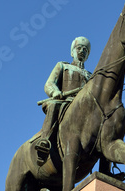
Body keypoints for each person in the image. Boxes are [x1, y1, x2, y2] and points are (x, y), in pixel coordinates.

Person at [35, 36, 91, 164]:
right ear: (72, 52)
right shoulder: (63, 66)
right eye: (79, 48)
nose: (82, 51)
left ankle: (108, 166)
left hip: (85, 107)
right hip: (65, 102)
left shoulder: (91, 76)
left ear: (87, 55)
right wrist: (55, 92)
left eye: (85, 50)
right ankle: (44, 141)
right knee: (54, 105)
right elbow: (49, 84)